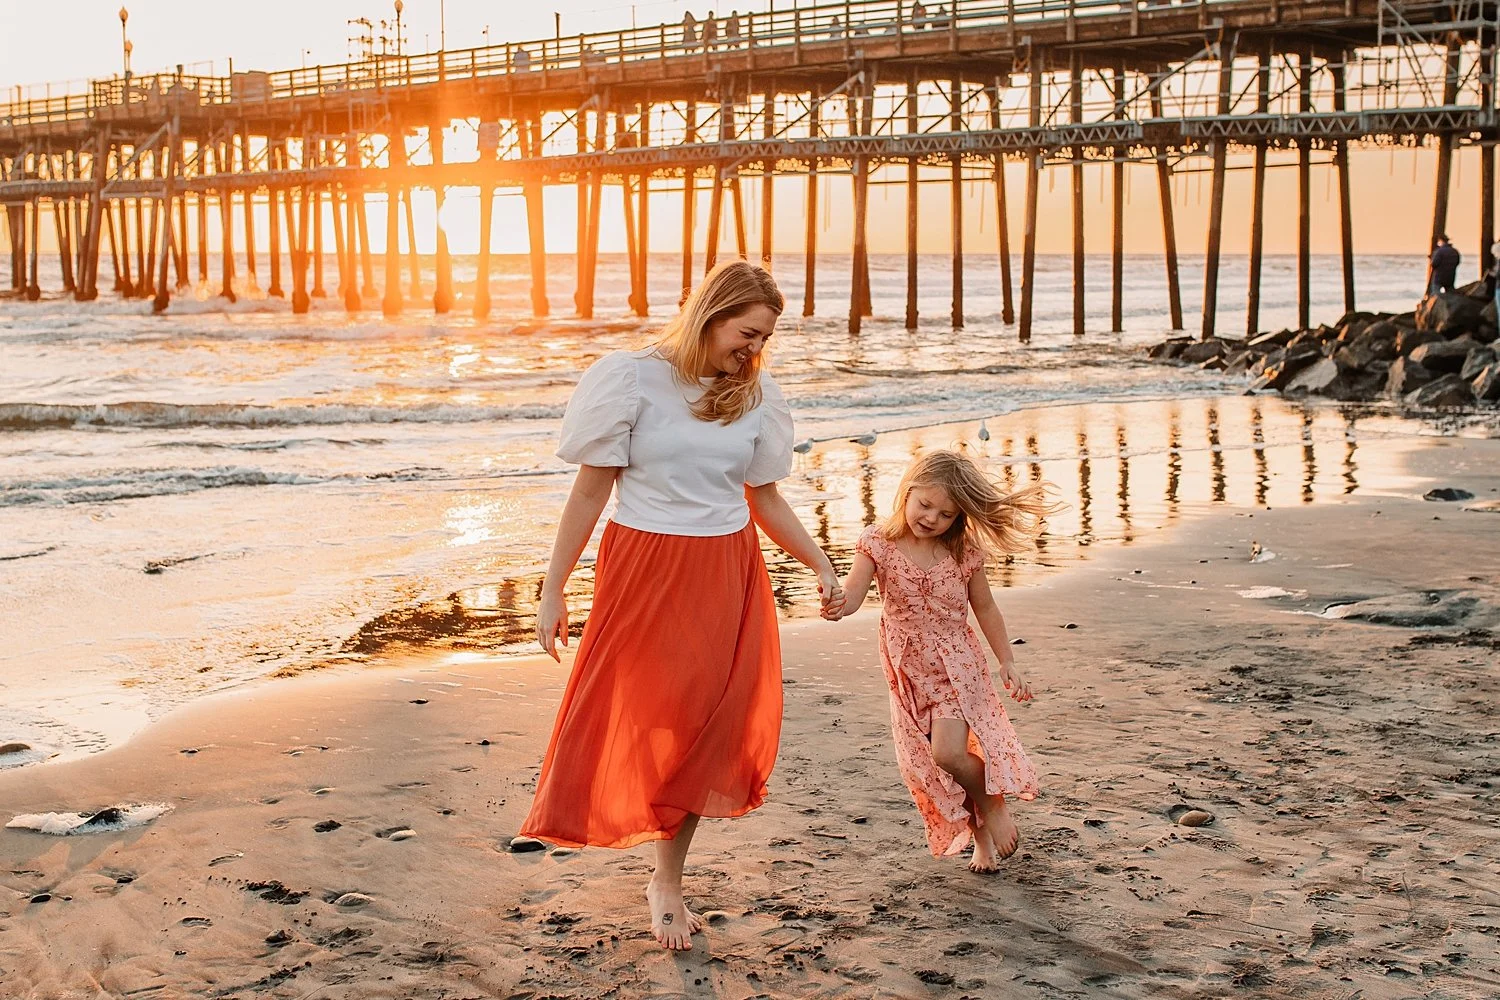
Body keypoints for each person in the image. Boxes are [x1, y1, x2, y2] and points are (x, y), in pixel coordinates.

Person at [522, 261, 846, 951]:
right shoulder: (631, 379)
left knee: (705, 724)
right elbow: (590, 491)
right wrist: (553, 589)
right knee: (652, 717)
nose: (754, 349)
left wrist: (820, 562)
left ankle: (666, 879)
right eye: (747, 333)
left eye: (764, 339)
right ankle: (651, 841)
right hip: (644, 569)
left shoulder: (756, 394)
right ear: (710, 314)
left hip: (725, 570)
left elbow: (764, 499)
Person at [828, 451, 1055, 872]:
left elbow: (985, 608)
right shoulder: (877, 542)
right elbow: (854, 596)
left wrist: (1006, 660)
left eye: (946, 514)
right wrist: (836, 603)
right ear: (907, 492)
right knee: (939, 769)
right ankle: (981, 840)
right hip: (908, 673)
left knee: (949, 754)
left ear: (959, 517)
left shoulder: (963, 552)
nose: (931, 518)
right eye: (925, 504)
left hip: (957, 668)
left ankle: (993, 803)